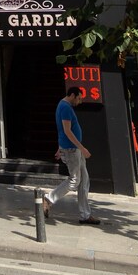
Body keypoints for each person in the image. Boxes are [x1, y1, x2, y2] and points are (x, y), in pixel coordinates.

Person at [43, 85, 100, 225]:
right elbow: (67, 131)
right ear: (72, 95)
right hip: (72, 150)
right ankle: (49, 198)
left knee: (84, 181)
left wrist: (60, 147)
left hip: (72, 149)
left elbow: (61, 130)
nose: (80, 102)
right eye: (79, 98)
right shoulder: (66, 108)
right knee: (74, 180)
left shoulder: (63, 106)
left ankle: (85, 215)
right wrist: (82, 148)